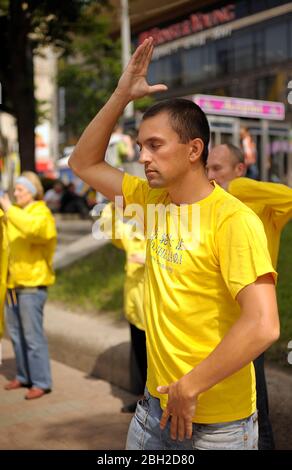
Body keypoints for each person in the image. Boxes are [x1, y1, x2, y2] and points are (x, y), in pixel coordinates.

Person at [69, 38, 279, 450]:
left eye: (155, 145)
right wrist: (121, 95)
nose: (143, 156)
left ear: (194, 149)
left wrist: (190, 386)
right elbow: (84, 163)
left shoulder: (233, 220)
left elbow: (263, 325)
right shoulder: (152, 199)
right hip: (152, 413)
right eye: (141, 145)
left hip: (217, 427)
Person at [207, 143, 292, 449]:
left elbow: (289, 196)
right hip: (214, 313)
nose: (210, 176)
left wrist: (238, 187)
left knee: (257, 397)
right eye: (207, 170)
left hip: (250, 314)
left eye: (217, 169)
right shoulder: (213, 205)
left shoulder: (263, 207)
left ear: (240, 170)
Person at [0, 172, 57, 400]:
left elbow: (34, 230)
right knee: (15, 335)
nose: (15, 194)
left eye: (20, 190)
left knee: (33, 337)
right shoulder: (16, 214)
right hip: (12, 285)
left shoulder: (41, 213)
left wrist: (8, 207)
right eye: (15, 190)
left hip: (32, 286)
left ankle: (41, 381)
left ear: (32, 191)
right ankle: (23, 376)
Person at [98, 203, 147, 412]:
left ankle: (155, 406)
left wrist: (150, 260)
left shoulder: (163, 237)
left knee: (154, 363)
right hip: (135, 312)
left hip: (155, 315)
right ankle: (143, 402)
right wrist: (113, 203)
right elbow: (110, 228)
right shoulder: (132, 235)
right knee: (140, 359)